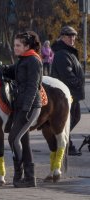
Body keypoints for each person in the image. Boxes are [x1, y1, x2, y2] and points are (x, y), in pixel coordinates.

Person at [0, 31, 43, 187]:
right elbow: (13, 71)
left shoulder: (33, 61)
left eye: (18, 45)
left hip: (30, 106)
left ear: (27, 46)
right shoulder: (24, 59)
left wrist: (25, 110)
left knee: (13, 138)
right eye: (14, 45)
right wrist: (1, 69)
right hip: (20, 105)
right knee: (23, 140)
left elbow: (32, 87)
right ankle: (29, 179)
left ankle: (20, 175)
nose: (15, 48)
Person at [51, 25, 85, 156]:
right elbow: (67, 75)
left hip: (71, 94)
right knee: (68, 120)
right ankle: (64, 143)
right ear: (62, 37)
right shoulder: (61, 54)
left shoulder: (68, 52)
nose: (72, 38)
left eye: (74, 36)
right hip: (66, 94)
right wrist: (78, 83)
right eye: (69, 36)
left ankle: (63, 142)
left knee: (72, 118)